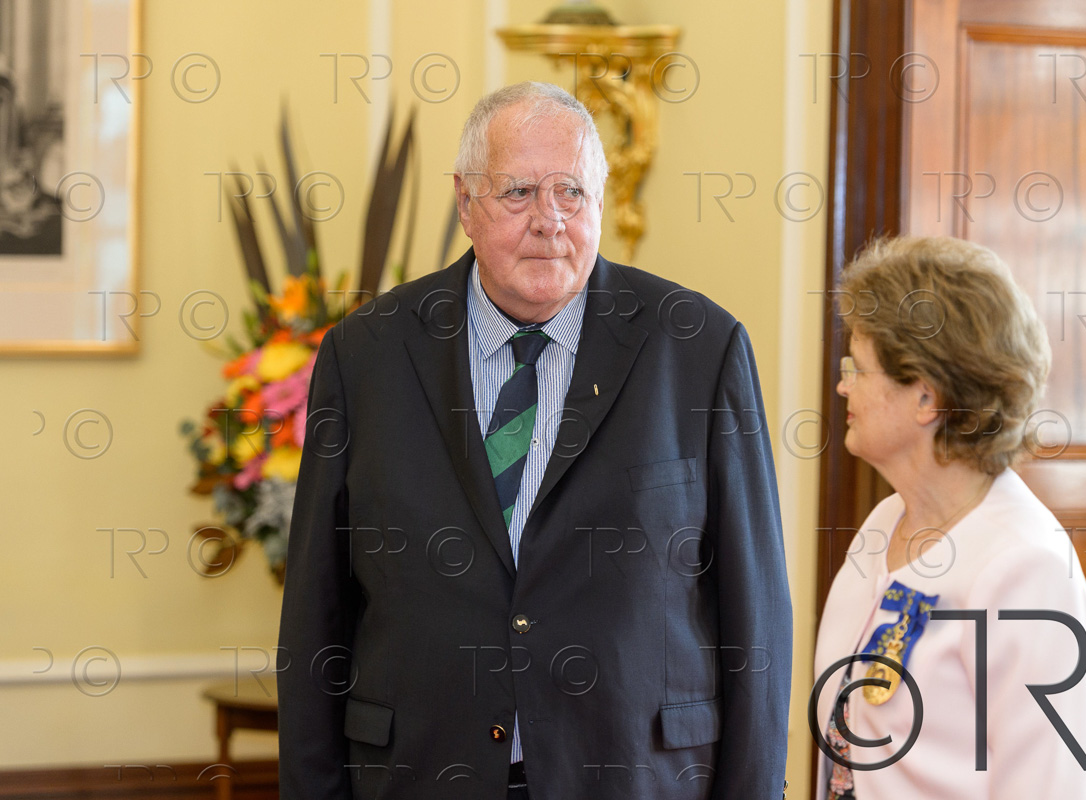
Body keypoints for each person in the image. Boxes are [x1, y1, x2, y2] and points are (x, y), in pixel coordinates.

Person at [278, 81, 792, 800]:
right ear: (465, 203)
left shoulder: (699, 347)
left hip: (635, 775)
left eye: (571, 192)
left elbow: (754, 611)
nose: (550, 220)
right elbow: (316, 612)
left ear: (600, 202)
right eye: (518, 192)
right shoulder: (366, 355)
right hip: (422, 773)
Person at [811, 236, 1086, 798]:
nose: (843, 385)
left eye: (859, 369)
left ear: (927, 398)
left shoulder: (1029, 569)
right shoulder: (884, 522)